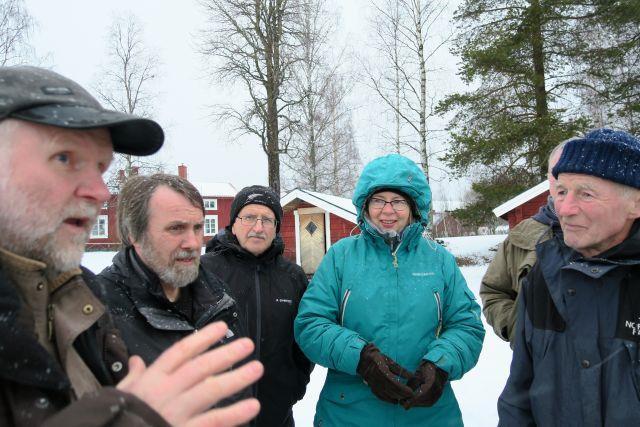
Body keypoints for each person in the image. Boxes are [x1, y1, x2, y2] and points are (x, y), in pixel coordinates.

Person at [0, 65, 262, 426]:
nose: (100, 191)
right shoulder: (106, 303)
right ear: (133, 235)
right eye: (64, 158)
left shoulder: (77, 303)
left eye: (100, 167)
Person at [294, 154, 485, 426]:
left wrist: (440, 364)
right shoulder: (341, 257)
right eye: (378, 200)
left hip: (429, 414)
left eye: (397, 201)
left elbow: (467, 325)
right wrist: (361, 359)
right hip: (349, 413)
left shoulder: (438, 260)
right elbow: (310, 324)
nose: (387, 211)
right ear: (365, 205)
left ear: (414, 207)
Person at [498, 128, 640, 425]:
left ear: (635, 204)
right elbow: (518, 396)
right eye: (561, 192)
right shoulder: (544, 275)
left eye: (586, 193)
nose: (564, 208)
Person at [97, 174, 244, 367]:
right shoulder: (98, 311)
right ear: (134, 233)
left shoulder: (219, 297)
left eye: (198, 227)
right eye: (176, 228)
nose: (193, 243)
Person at [201, 185, 313, 427]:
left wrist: (294, 386)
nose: (258, 227)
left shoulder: (293, 277)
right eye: (250, 217)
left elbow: (304, 339)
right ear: (233, 222)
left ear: (276, 227)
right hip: (214, 414)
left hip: (277, 413)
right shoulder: (204, 272)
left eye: (267, 220)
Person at [480, 140, 568, 345]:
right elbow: (493, 292)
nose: (565, 180)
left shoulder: (621, 234)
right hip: (537, 367)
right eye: (558, 173)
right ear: (549, 178)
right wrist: (518, 328)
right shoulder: (521, 237)